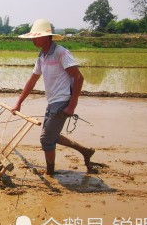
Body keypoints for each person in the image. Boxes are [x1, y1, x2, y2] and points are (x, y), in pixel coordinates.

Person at [12, 19, 95, 176]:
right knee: (52, 136)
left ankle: (50, 172)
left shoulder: (60, 53)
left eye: (36, 37)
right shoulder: (42, 55)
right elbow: (32, 81)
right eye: (33, 37)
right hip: (52, 102)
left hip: (62, 101)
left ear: (47, 37)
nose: (33, 40)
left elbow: (79, 78)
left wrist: (71, 106)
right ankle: (85, 151)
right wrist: (19, 103)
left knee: (46, 140)